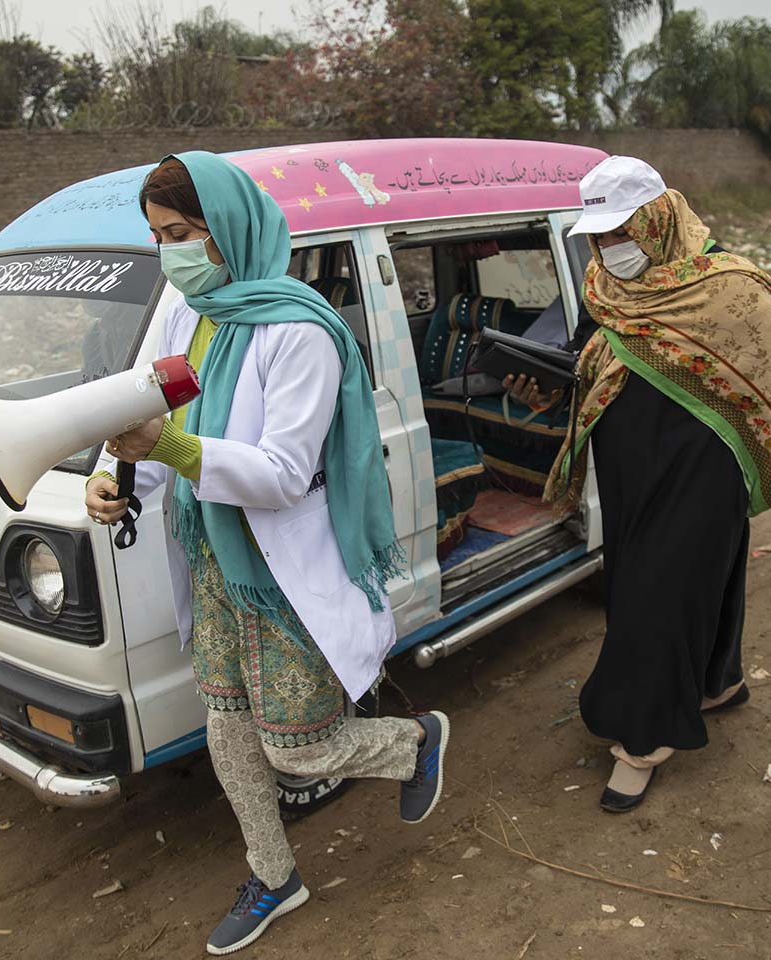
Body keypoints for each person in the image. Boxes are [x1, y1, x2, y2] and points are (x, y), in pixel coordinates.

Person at [85, 152, 449, 956]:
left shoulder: (299, 330)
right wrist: (116, 482)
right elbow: (152, 428)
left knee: (299, 746)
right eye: (156, 237)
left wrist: (169, 448)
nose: (167, 253)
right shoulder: (188, 313)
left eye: (178, 232)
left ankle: (413, 740)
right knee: (227, 726)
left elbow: (283, 475)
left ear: (229, 226)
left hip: (282, 571)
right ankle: (274, 874)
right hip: (218, 560)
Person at [507, 155, 771, 812]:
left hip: (704, 467)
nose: (610, 248)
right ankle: (718, 681)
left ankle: (643, 740)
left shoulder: (729, 287)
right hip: (630, 468)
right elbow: (589, 356)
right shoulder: (604, 285)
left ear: (657, 218)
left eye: (622, 232)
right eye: (599, 236)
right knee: (667, 582)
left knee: (661, 590)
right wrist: (545, 386)